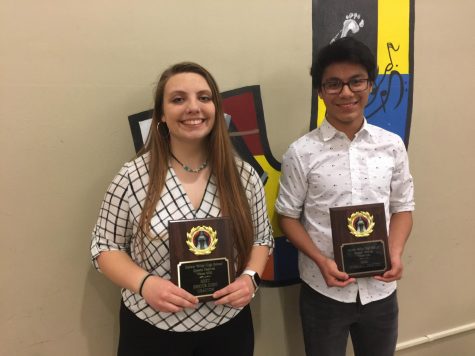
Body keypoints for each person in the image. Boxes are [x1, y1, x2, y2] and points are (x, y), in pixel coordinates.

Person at [91, 62, 274, 356]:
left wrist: (249, 278)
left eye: (204, 97)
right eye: (178, 99)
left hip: (227, 326)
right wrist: (145, 284)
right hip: (151, 328)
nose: (193, 107)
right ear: (161, 115)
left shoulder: (243, 176)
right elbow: (104, 247)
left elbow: (261, 239)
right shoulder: (132, 176)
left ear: (216, 108)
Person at [275, 37, 414, 356]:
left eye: (356, 81)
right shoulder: (302, 153)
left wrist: (395, 253)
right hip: (323, 292)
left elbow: (403, 208)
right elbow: (287, 217)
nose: (346, 92)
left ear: (371, 85)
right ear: (321, 91)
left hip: (381, 291)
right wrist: (321, 261)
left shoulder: (391, 146)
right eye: (334, 84)